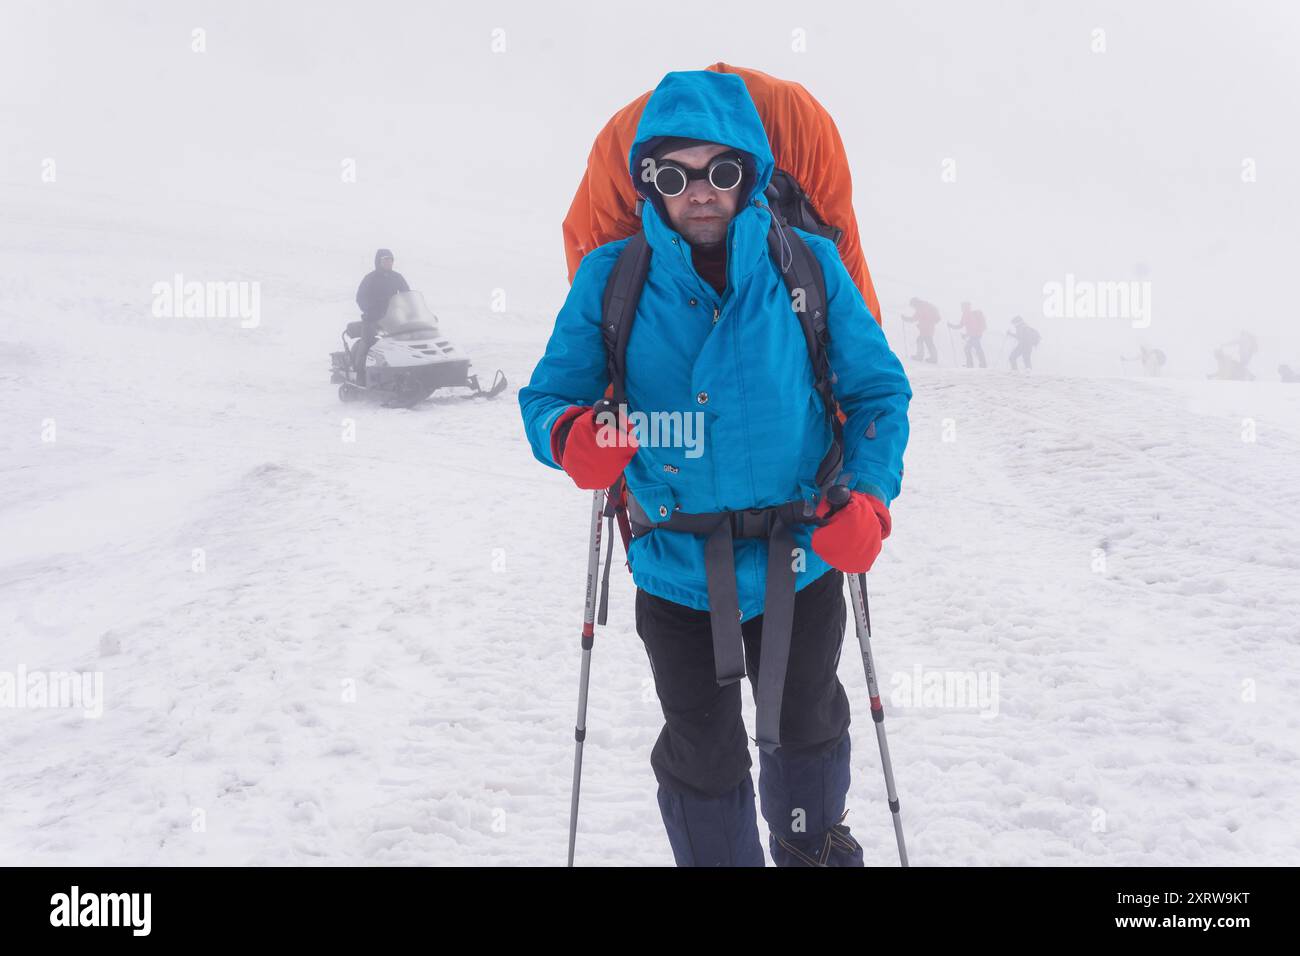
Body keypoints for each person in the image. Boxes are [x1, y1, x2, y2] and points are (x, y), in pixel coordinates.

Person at [520, 70, 911, 867]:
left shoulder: (809, 266)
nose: (699, 192)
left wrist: (868, 494)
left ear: (753, 174)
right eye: (675, 175)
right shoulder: (611, 280)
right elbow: (548, 396)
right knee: (702, 754)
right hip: (673, 567)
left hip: (798, 558)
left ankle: (810, 846)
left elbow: (877, 392)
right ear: (648, 185)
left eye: (720, 171)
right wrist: (571, 436)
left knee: (807, 726)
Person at [353, 249, 410, 384]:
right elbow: (361, 297)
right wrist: (369, 310)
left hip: (392, 319)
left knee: (407, 341)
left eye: (391, 260)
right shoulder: (370, 278)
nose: (389, 263)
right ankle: (359, 375)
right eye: (385, 260)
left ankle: (407, 372)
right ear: (379, 261)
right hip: (372, 319)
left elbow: (406, 295)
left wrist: (410, 310)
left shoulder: (397, 277)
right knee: (367, 342)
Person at [900, 298, 941, 363]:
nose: (913, 307)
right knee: (926, 341)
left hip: (926, 328)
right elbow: (916, 318)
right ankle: (931, 357)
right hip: (927, 328)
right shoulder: (923, 306)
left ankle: (923, 357)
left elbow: (914, 318)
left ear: (915, 303)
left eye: (913, 305)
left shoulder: (921, 308)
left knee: (924, 341)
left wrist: (905, 318)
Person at [948, 301, 988, 368]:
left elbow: (973, 327)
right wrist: (951, 326)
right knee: (975, 348)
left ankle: (974, 364)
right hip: (974, 334)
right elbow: (961, 325)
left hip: (976, 334)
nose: (961, 308)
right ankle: (980, 364)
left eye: (962, 306)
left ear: (965, 307)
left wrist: (966, 335)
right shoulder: (965, 315)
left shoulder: (969, 315)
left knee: (970, 348)